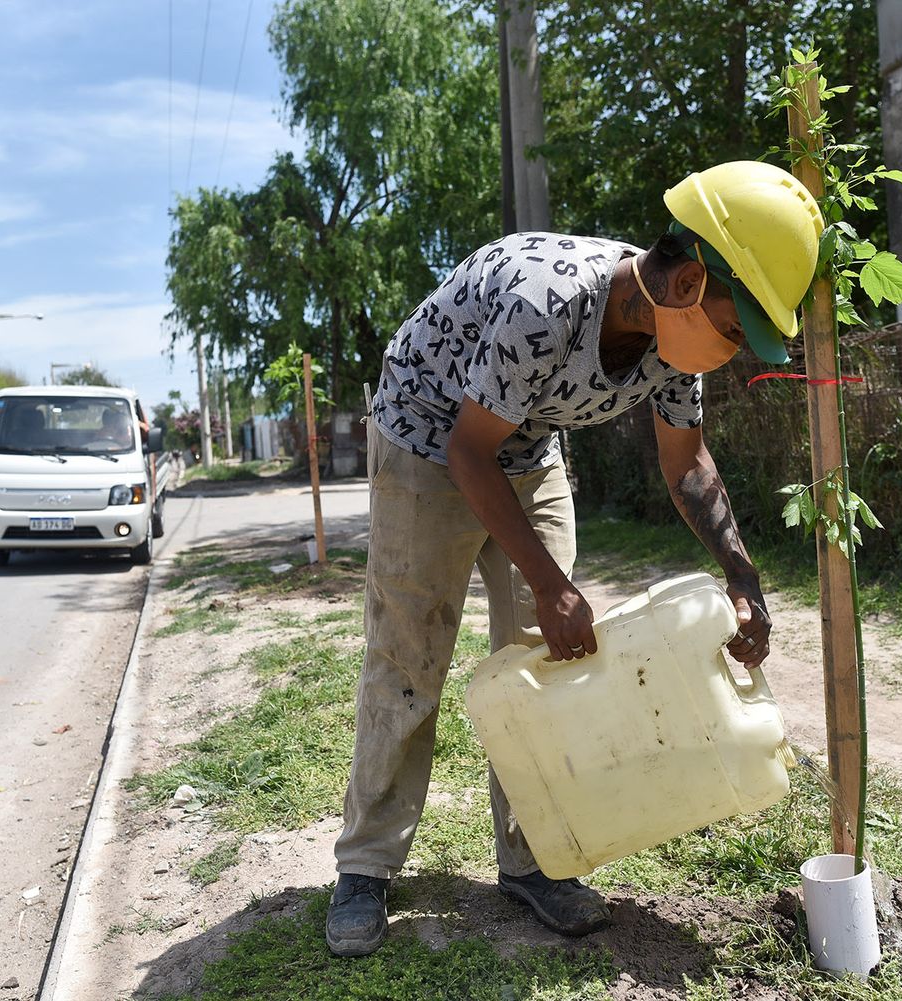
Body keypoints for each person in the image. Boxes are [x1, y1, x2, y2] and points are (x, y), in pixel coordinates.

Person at [326, 161, 823, 957]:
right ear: (688, 282)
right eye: (735, 330)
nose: (731, 353)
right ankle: (367, 868)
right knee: (409, 658)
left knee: (547, 662)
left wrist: (744, 575)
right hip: (429, 436)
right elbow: (467, 449)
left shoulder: (672, 344)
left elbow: (687, 465)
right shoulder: (545, 302)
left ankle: (532, 862)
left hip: (522, 448)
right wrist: (552, 584)